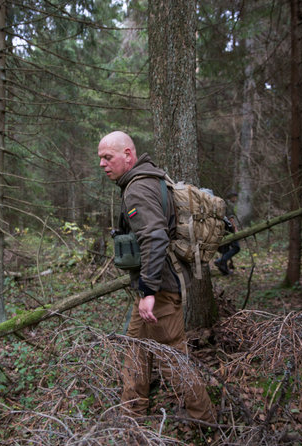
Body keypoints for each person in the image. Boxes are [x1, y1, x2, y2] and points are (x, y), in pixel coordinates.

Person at [97, 131, 216, 424]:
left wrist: (148, 290)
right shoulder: (150, 179)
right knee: (136, 349)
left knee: (173, 358)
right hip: (155, 287)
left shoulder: (137, 189)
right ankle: (132, 415)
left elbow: (154, 237)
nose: (102, 164)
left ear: (128, 155)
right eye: (100, 158)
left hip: (160, 290)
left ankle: (206, 420)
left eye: (107, 157)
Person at [214, 191, 240, 275]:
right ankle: (221, 261)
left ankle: (224, 270)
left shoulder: (221, 203)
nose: (235, 199)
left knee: (225, 250)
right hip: (228, 230)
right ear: (231, 197)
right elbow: (230, 218)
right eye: (235, 197)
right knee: (236, 247)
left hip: (221, 230)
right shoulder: (229, 205)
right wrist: (235, 229)